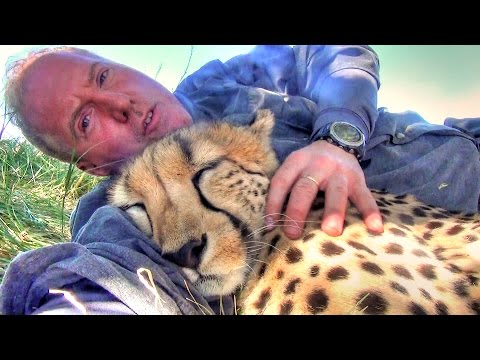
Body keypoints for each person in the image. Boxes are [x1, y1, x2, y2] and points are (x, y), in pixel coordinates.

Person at [1, 45, 479, 315]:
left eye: (103, 77)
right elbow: (105, 283)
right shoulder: (115, 216)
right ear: (89, 164)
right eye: (85, 121)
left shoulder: (220, 83)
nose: (119, 105)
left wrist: (338, 134)